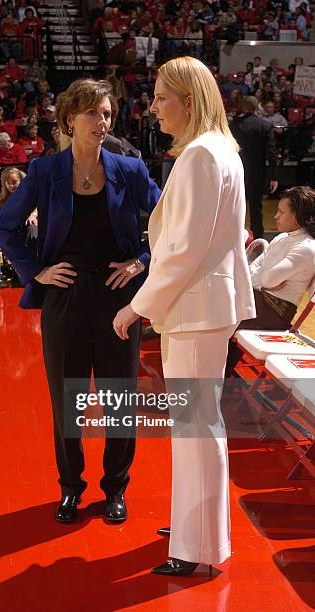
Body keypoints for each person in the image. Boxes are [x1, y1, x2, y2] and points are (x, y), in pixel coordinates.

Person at [113, 56, 256, 577]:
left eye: (160, 98)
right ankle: (196, 529)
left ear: (188, 102)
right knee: (200, 427)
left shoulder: (201, 155)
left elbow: (183, 250)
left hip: (194, 308)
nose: (153, 109)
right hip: (204, 307)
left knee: (197, 429)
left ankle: (197, 547)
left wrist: (136, 305)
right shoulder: (224, 151)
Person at [0, 78, 161, 524]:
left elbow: (171, 224)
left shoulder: (129, 168)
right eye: (93, 113)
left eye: (107, 113)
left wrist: (141, 261)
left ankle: (115, 489)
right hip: (64, 297)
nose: (102, 121)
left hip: (118, 298)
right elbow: (5, 227)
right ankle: (70, 488)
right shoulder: (45, 171)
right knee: (67, 401)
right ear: (71, 119)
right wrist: (36, 271)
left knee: (119, 400)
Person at [227, 186, 315, 374]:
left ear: (298, 216)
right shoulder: (282, 238)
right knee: (222, 300)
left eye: (281, 212)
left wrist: (263, 278)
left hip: (276, 311)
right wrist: (264, 279)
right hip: (261, 299)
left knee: (223, 308)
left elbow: (266, 278)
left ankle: (216, 377)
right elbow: (255, 273)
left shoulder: (307, 248)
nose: (275, 216)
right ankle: (219, 375)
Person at [230, 96, 278, 239]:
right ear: (257, 107)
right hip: (257, 172)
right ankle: (257, 238)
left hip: (236, 171)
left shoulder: (234, 125)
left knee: (234, 206)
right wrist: (273, 176)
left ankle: (235, 237)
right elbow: (272, 153)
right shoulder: (265, 125)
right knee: (256, 207)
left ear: (243, 106)